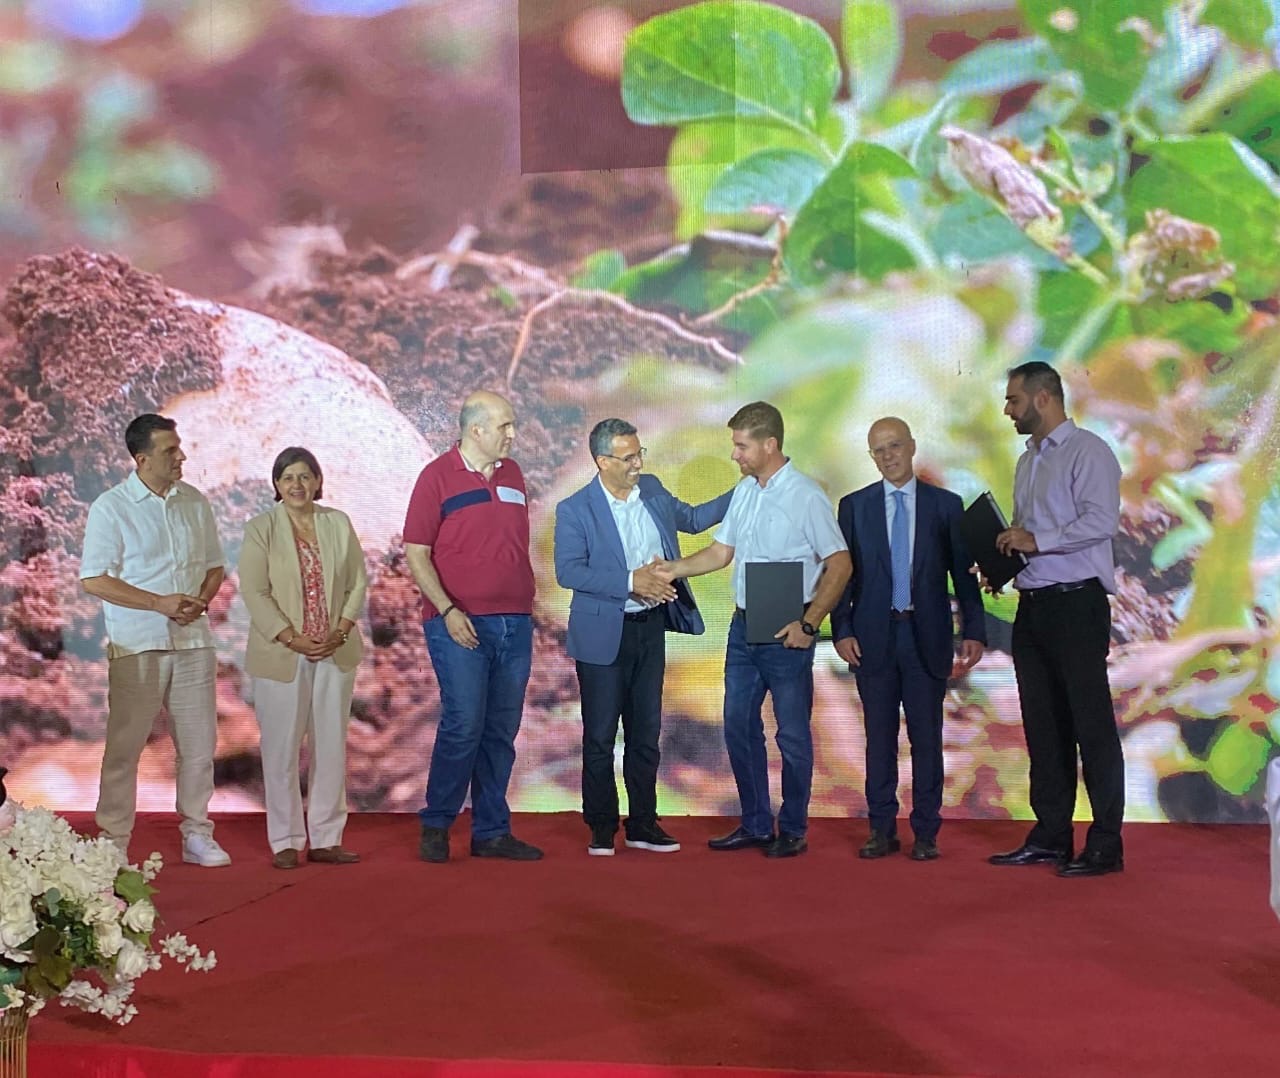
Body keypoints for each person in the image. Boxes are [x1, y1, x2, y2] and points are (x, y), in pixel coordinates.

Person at [657, 402, 851, 857]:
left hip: (787, 619)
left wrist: (810, 624)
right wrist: (672, 569)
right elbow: (720, 552)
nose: (735, 454)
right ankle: (756, 823)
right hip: (744, 620)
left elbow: (840, 564)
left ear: (770, 445)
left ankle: (794, 828)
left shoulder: (806, 495)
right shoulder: (745, 491)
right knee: (738, 726)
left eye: (741, 446)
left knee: (792, 735)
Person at [554, 418, 732, 857]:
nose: (638, 464)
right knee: (600, 736)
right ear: (602, 461)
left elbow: (694, 519)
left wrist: (745, 489)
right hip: (602, 634)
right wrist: (630, 581)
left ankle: (643, 823)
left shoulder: (651, 489)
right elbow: (569, 571)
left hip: (650, 630)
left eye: (640, 454)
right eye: (628, 457)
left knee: (646, 734)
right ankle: (601, 826)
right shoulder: (575, 509)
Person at [990, 361, 1125, 878]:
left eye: (1014, 400)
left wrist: (1036, 540)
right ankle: (1050, 835)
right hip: (1033, 607)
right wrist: (1003, 562)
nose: (1008, 410)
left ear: (1043, 397)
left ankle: (1106, 844)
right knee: (1043, 727)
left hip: (1076, 605)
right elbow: (1027, 532)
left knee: (1091, 726)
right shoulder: (1027, 461)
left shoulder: (1088, 451)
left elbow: (1101, 521)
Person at [832, 417, 986, 862]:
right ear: (871, 456)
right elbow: (842, 576)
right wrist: (841, 629)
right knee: (879, 740)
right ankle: (881, 829)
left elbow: (964, 575)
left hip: (927, 638)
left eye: (895, 446)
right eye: (878, 450)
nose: (888, 456)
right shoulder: (854, 507)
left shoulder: (946, 505)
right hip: (872, 639)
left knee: (927, 739)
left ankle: (926, 832)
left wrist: (973, 630)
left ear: (912, 446)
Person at [80, 414, 230, 866]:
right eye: (170, 450)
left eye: (179, 447)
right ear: (142, 459)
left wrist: (201, 601)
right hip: (137, 644)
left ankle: (197, 832)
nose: (181, 456)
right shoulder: (111, 507)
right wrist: (157, 603)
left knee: (198, 747)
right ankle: (113, 841)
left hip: (193, 642)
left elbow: (214, 566)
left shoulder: (194, 502)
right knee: (125, 748)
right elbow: (94, 578)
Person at [403, 390, 542, 863]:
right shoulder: (436, 477)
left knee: (501, 729)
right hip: (458, 622)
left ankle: (491, 832)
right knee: (464, 724)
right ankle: (437, 823)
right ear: (476, 429)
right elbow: (417, 553)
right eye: (505, 425)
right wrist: (447, 610)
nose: (513, 434)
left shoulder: (514, 475)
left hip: (515, 622)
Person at [239, 447, 368, 870]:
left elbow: (357, 582)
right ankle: (286, 840)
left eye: (304, 476)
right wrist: (291, 637)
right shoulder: (261, 529)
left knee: (330, 746)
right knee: (281, 749)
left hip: (334, 650)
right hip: (282, 654)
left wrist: (340, 630)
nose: (297, 485)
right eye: (288, 478)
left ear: (317, 481)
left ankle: (327, 839)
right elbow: (255, 591)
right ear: (277, 485)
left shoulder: (337, 523)